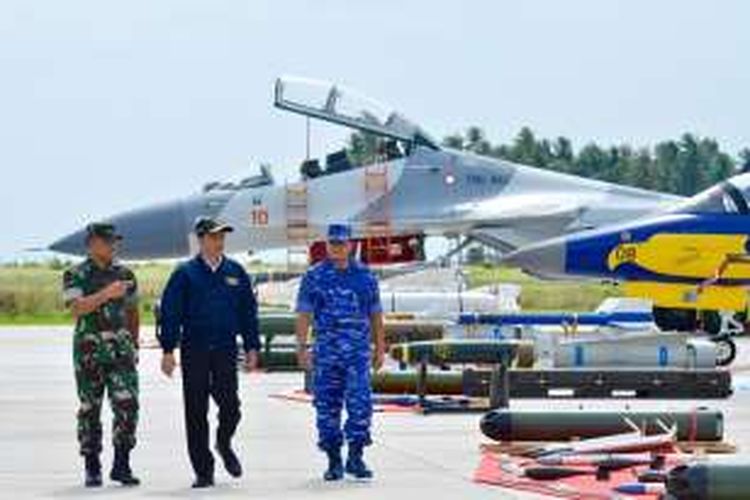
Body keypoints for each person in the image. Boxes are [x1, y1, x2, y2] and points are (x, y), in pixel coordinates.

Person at [159, 216, 260, 488]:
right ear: (201, 239)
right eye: (214, 237)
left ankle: (223, 443)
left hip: (226, 350)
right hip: (195, 351)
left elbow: (248, 312)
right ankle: (204, 471)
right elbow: (170, 313)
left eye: (222, 237)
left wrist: (252, 346)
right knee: (195, 411)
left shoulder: (236, 272)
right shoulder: (185, 273)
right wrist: (168, 350)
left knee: (231, 406)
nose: (219, 241)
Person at [295, 223, 386, 481]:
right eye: (332, 243)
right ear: (326, 245)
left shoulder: (365, 277)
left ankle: (355, 458)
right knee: (327, 407)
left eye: (341, 243)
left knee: (360, 406)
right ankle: (333, 460)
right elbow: (304, 313)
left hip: (357, 355)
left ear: (351, 245)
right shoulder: (314, 276)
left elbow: (376, 314)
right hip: (326, 354)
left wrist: (380, 348)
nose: (337, 248)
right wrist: (302, 346)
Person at [62, 222, 140, 487]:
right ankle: (92, 465)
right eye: (108, 241)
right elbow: (76, 309)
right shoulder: (75, 274)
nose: (113, 245)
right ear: (93, 242)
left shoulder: (126, 273)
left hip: (121, 352)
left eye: (115, 241)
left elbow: (132, 311)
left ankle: (122, 464)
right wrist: (106, 294)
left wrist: (135, 343)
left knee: (128, 405)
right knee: (89, 409)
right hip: (89, 352)